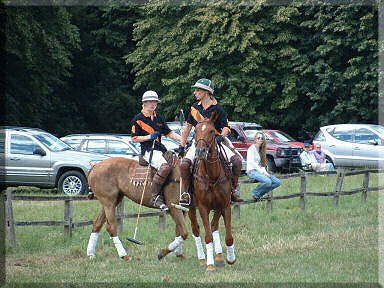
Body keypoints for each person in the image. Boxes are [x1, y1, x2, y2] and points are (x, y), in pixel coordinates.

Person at [178, 78, 244, 205]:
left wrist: (221, 136)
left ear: (206, 92)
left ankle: (234, 190)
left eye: (198, 90)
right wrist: (182, 145)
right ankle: (186, 193)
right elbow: (188, 128)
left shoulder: (218, 108)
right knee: (184, 165)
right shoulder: (194, 108)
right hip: (198, 142)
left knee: (237, 161)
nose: (195, 93)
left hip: (216, 141)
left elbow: (226, 127)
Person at [131, 90, 182, 211]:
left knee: (176, 165)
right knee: (165, 167)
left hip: (160, 149)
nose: (153, 104)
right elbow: (134, 138)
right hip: (148, 150)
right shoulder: (138, 119)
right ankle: (156, 197)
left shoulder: (159, 118)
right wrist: (149, 137)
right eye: (150, 102)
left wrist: (183, 140)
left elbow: (169, 133)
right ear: (144, 103)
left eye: (155, 102)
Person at [246, 132, 281, 200]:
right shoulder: (251, 148)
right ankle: (255, 193)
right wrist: (262, 172)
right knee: (268, 181)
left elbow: (262, 164)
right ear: (255, 139)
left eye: (262, 138)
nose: (260, 139)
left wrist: (265, 172)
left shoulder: (261, 149)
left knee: (277, 182)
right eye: (258, 138)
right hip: (252, 171)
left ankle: (259, 194)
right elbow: (252, 162)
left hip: (259, 171)